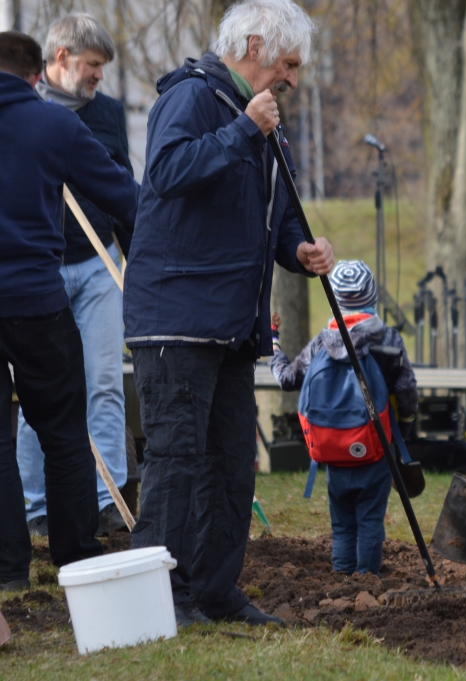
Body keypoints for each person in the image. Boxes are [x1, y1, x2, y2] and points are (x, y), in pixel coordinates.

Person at [122, 0, 333, 627]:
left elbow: (273, 213)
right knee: (178, 466)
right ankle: (160, 599)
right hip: (177, 319)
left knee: (231, 465)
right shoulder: (190, 98)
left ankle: (216, 591)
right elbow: (164, 173)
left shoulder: (266, 121)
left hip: (232, 327)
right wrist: (243, 129)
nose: (294, 78)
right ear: (254, 44)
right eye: (289, 64)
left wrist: (298, 247)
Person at [0, 31, 137, 590]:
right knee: (62, 431)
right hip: (36, 300)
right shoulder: (55, 124)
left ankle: (8, 572)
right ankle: (75, 557)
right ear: (37, 77)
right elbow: (123, 195)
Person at [270, 261, 417, 575]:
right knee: (370, 520)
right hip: (375, 446)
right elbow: (406, 389)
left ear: (335, 299)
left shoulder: (323, 342)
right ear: (372, 296)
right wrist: (405, 424)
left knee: (342, 523)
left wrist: (274, 343)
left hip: (332, 448)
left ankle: (341, 580)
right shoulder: (387, 338)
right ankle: (367, 581)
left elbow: (286, 378)